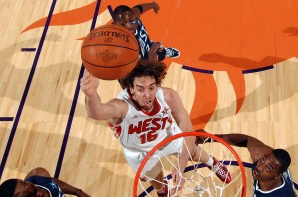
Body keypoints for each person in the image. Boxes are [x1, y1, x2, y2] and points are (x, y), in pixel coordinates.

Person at [80, 59, 231, 196]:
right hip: (139, 151)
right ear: (131, 89)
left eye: (151, 88)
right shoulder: (123, 106)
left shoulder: (168, 97)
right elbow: (97, 112)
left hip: (165, 137)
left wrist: (181, 166)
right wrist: (91, 94)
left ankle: (213, 163)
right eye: (140, 89)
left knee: (191, 150)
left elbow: (188, 131)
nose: (147, 95)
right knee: (155, 177)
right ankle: (162, 190)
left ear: (157, 85)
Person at [196, 130, 297, 196]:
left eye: (267, 168)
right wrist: (210, 138)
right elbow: (246, 140)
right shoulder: (260, 155)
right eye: (263, 159)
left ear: (277, 176)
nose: (259, 167)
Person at [111, 2, 180, 61]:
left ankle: (165, 52)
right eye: (123, 24)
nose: (129, 26)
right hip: (139, 59)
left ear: (134, 16)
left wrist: (153, 5)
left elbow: (140, 8)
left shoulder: (133, 14)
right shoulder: (116, 38)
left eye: (131, 21)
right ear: (116, 25)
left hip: (147, 45)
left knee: (160, 51)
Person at [0, 167, 90, 197]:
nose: (29, 189)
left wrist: (78, 192)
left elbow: (77, 191)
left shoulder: (39, 175)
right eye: (23, 195)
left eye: (25, 184)